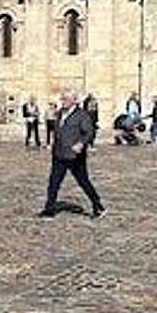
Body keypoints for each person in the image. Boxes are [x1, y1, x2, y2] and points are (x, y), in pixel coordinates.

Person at [40, 89, 105, 219]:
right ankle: (49, 208)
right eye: (62, 98)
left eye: (66, 99)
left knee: (83, 182)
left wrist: (81, 143)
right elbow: (57, 131)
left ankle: (97, 205)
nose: (63, 101)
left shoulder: (82, 115)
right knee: (53, 182)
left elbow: (89, 132)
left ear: (74, 100)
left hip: (75, 156)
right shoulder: (59, 114)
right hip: (59, 154)